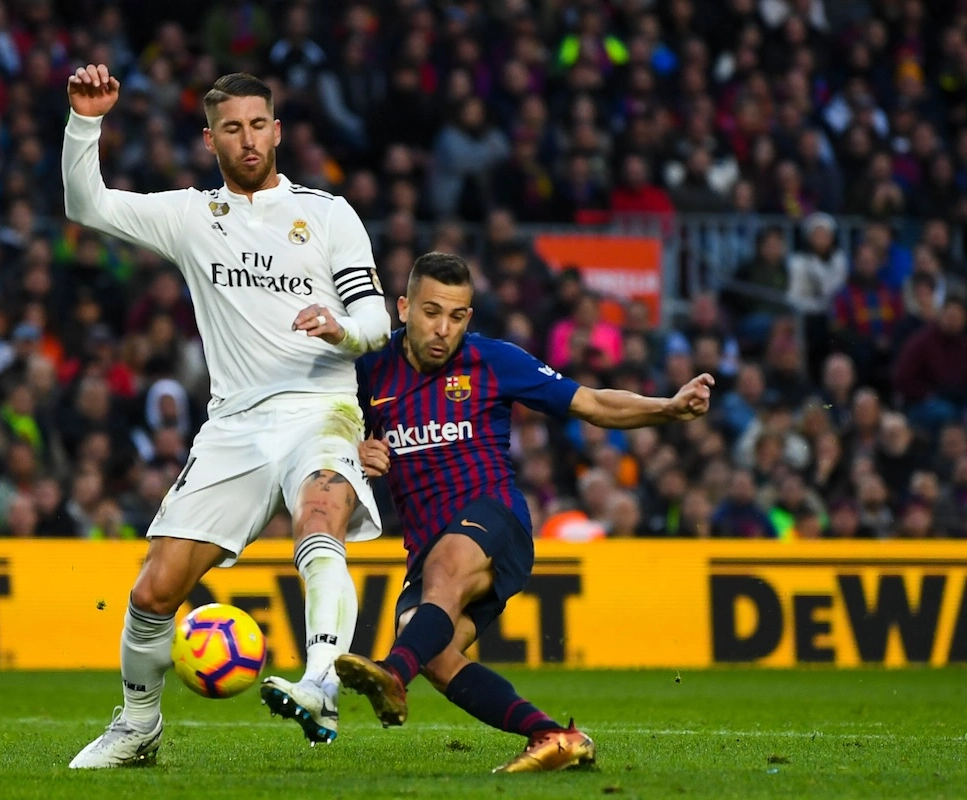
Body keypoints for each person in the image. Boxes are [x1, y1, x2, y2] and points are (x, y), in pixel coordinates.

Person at [62, 66, 391, 767]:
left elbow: (375, 317)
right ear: (209, 138)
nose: (248, 139)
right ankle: (138, 725)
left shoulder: (328, 213)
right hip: (235, 425)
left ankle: (321, 682)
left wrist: (342, 330)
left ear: (278, 130)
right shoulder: (190, 216)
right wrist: (85, 121)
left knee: (319, 514)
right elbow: (86, 204)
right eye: (232, 128)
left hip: (320, 409)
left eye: (259, 124)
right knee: (155, 590)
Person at [337, 252, 713, 773]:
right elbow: (320, 430)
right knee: (439, 656)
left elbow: (591, 403)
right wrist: (351, 451)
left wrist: (667, 408)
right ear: (403, 308)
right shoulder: (369, 374)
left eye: (458, 315)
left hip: (495, 523)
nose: (444, 329)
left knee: (438, 588)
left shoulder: (494, 361)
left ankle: (393, 674)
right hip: (426, 547)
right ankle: (555, 736)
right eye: (431, 312)